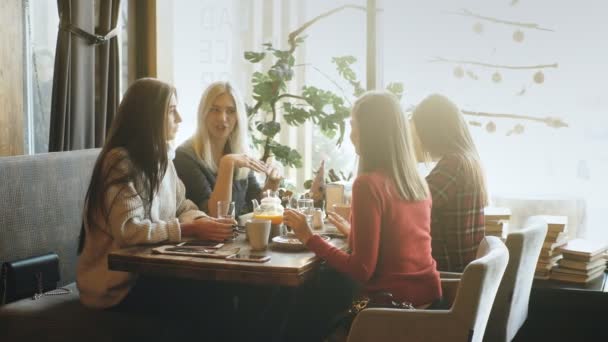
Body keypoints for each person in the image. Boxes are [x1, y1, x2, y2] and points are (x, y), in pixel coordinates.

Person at [284, 91, 442, 339]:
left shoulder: (368, 184)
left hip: (390, 310)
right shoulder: (416, 182)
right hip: (427, 303)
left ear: (371, 131)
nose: (351, 135)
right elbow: (400, 244)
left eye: (354, 126)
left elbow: (361, 270)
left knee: (298, 310)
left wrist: (308, 236)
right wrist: (354, 232)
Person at [76, 78, 236, 310]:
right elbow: (129, 231)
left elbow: (183, 206)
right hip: (117, 286)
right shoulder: (120, 162)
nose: (179, 119)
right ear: (149, 116)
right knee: (217, 295)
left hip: (147, 274)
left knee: (229, 291)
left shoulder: (161, 159)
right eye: (172, 111)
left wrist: (204, 221)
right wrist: (189, 229)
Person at [174, 81, 281, 218]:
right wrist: (227, 164)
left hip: (236, 237)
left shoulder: (239, 152)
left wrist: (272, 184)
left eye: (230, 111)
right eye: (215, 110)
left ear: (238, 117)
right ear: (204, 113)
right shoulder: (185, 156)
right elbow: (216, 215)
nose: (222, 118)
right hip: (205, 238)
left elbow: (256, 206)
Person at [411, 94, 488, 272]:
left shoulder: (454, 164)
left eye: (417, 132)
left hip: (449, 275)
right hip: (462, 271)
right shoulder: (468, 160)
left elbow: (411, 205)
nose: (416, 140)